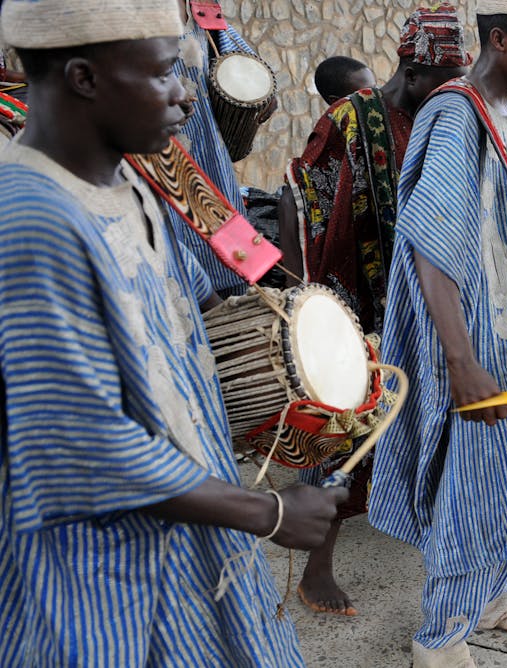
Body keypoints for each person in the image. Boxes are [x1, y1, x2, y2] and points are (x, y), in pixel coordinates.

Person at [0, 0, 347, 664]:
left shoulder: (133, 178)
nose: (187, 94)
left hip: (194, 536)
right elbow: (82, 448)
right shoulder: (33, 221)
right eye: (164, 73)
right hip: (102, 580)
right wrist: (268, 513)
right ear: (83, 77)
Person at [368, 5, 507, 666]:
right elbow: (432, 244)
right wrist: (460, 360)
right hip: (476, 344)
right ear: (500, 39)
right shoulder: (457, 113)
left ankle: (496, 600)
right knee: (473, 489)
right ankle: (441, 638)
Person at [284, 5, 471, 618]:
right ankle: (316, 568)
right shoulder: (347, 119)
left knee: (435, 428)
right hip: (353, 303)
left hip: (424, 300)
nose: (450, 94)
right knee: (345, 434)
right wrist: (305, 295)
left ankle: (447, 557)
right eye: (441, 83)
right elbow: (298, 197)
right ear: (411, 73)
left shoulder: (444, 120)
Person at [171, 0, 276, 296]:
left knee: (234, 265)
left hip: (209, 155)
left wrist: (261, 94)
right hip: (157, 155)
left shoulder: (201, 6)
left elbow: (243, 62)